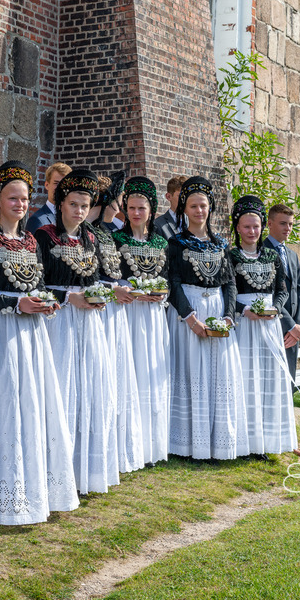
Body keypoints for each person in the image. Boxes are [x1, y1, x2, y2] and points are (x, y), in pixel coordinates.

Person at [0, 161, 79, 525]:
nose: (19, 204)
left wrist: (45, 301)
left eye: (23, 198)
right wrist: (16, 303)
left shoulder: (31, 240)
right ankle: (1, 493)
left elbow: (42, 281)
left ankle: (33, 487)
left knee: (31, 404)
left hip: (32, 332)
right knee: (3, 403)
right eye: (11, 197)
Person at [34, 168, 119, 495]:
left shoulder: (91, 238)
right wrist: (70, 297)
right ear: (60, 203)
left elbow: (96, 280)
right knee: (62, 391)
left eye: (85, 205)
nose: (80, 211)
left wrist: (100, 296)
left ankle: (86, 471)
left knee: (91, 392)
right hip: (60, 323)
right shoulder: (43, 236)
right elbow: (38, 286)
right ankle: (58, 473)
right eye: (74, 204)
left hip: (89, 324)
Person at [165, 176, 247, 460]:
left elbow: (230, 283)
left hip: (217, 312)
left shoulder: (221, 245)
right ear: (184, 210)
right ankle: (189, 444)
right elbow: (172, 283)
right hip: (189, 313)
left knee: (217, 374)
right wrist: (190, 318)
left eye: (204, 205)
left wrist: (228, 316)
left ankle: (218, 442)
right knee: (191, 372)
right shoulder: (175, 244)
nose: (199, 211)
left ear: (210, 208)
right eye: (193, 206)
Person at [229, 196, 297, 456]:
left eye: (256, 227)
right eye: (246, 227)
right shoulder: (231, 255)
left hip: (268, 324)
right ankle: (246, 442)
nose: (252, 232)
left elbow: (282, 290)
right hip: (244, 325)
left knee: (269, 380)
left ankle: (268, 440)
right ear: (238, 228)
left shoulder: (271, 255)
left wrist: (276, 309)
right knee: (247, 379)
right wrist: (244, 309)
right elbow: (228, 292)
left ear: (262, 227)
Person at [112, 176, 171, 465]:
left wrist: (162, 293)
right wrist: (135, 291)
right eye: (131, 208)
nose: (136, 213)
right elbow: (111, 278)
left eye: (141, 208)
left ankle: (152, 445)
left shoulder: (161, 242)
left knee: (150, 374)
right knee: (130, 372)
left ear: (152, 210)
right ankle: (128, 444)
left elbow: (168, 279)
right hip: (129, 313)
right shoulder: (116, 239)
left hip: (153, 316)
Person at [89, 173, 144, 474]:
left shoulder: (109, 233)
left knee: (117, 380)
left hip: (116, 312)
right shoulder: (91, 233)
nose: (123, 202)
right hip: (100, 310)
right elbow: (88, 278)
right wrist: (114, 290)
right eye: (120, 197)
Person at [264, 203, 300, 381]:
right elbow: (270, 293)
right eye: (283, 223)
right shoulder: (261, 251)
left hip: (293, 331)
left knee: (289, 380)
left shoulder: (292, 255)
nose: (288, 228)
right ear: (269, 223)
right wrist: (289, 324)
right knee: (273, 379)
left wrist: (299, 326)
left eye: (290, 224)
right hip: (273, 323)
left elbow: (298, 291)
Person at [26, 162, 71, 232]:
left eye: (64, 184)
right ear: (47, 185)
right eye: (56, 183)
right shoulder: (37, 220)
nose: (60, 188)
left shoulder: (72, 219)